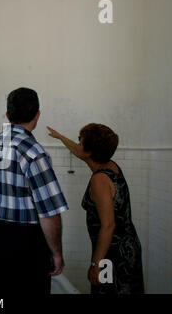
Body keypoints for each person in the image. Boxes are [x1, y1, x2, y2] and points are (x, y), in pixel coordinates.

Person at [0, 87, 69, 294]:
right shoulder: (35, 154)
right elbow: (49, 213)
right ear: (37, 115)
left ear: (8, 116)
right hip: (27, 243)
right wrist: (56, 253)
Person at [47, 124, 144, 294]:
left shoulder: (100, 180)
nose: (78, 144)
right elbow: (79, 151)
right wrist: (60, 136)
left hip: (114, 255)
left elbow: (108, 225)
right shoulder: (110, 165)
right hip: (126, 247)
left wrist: (96, 264)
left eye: (80, 140)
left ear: (90, 151)